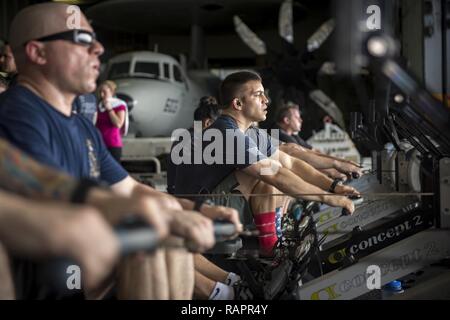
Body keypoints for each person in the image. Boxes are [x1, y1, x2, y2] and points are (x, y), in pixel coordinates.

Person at [0, 3, 240, 299]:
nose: (99, 48)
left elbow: (131, 190)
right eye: (82, 40)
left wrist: (199, 210)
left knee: (161, 220)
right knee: (149, 235)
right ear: (38, 53)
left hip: (81, 265)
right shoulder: (18, 115)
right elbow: (49, 202)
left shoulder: (82, 126)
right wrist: (149, 214)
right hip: (51, 275)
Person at [173, 71, 359, 257]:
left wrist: (333, 187)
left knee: (278, 169)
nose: (266, 100)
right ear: (237, 104)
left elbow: (291, 162)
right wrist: (328, 198)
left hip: (219, 205)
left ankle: (275, 233)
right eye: (258, 95)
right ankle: (271, 247)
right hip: (200, 215)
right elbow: (276, 175)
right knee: (266, 174)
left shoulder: (251, 132)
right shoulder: (226, 132)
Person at [272, 104, 363, 181]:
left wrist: (343, 162)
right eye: (297, 117)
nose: (301, 120)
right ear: (286, 120)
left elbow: (314, 152)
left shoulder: (292, 135)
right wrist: (333, 170)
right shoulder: (276, 133)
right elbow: (305, 160)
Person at [95, 80, 127, 162]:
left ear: (112, 91)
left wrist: (109, 109)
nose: (102, 95)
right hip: (99, 144)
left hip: (112, 144)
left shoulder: (119, 104)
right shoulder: (99, 105)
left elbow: (118, 124)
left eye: (104, 92)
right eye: (100, 92)